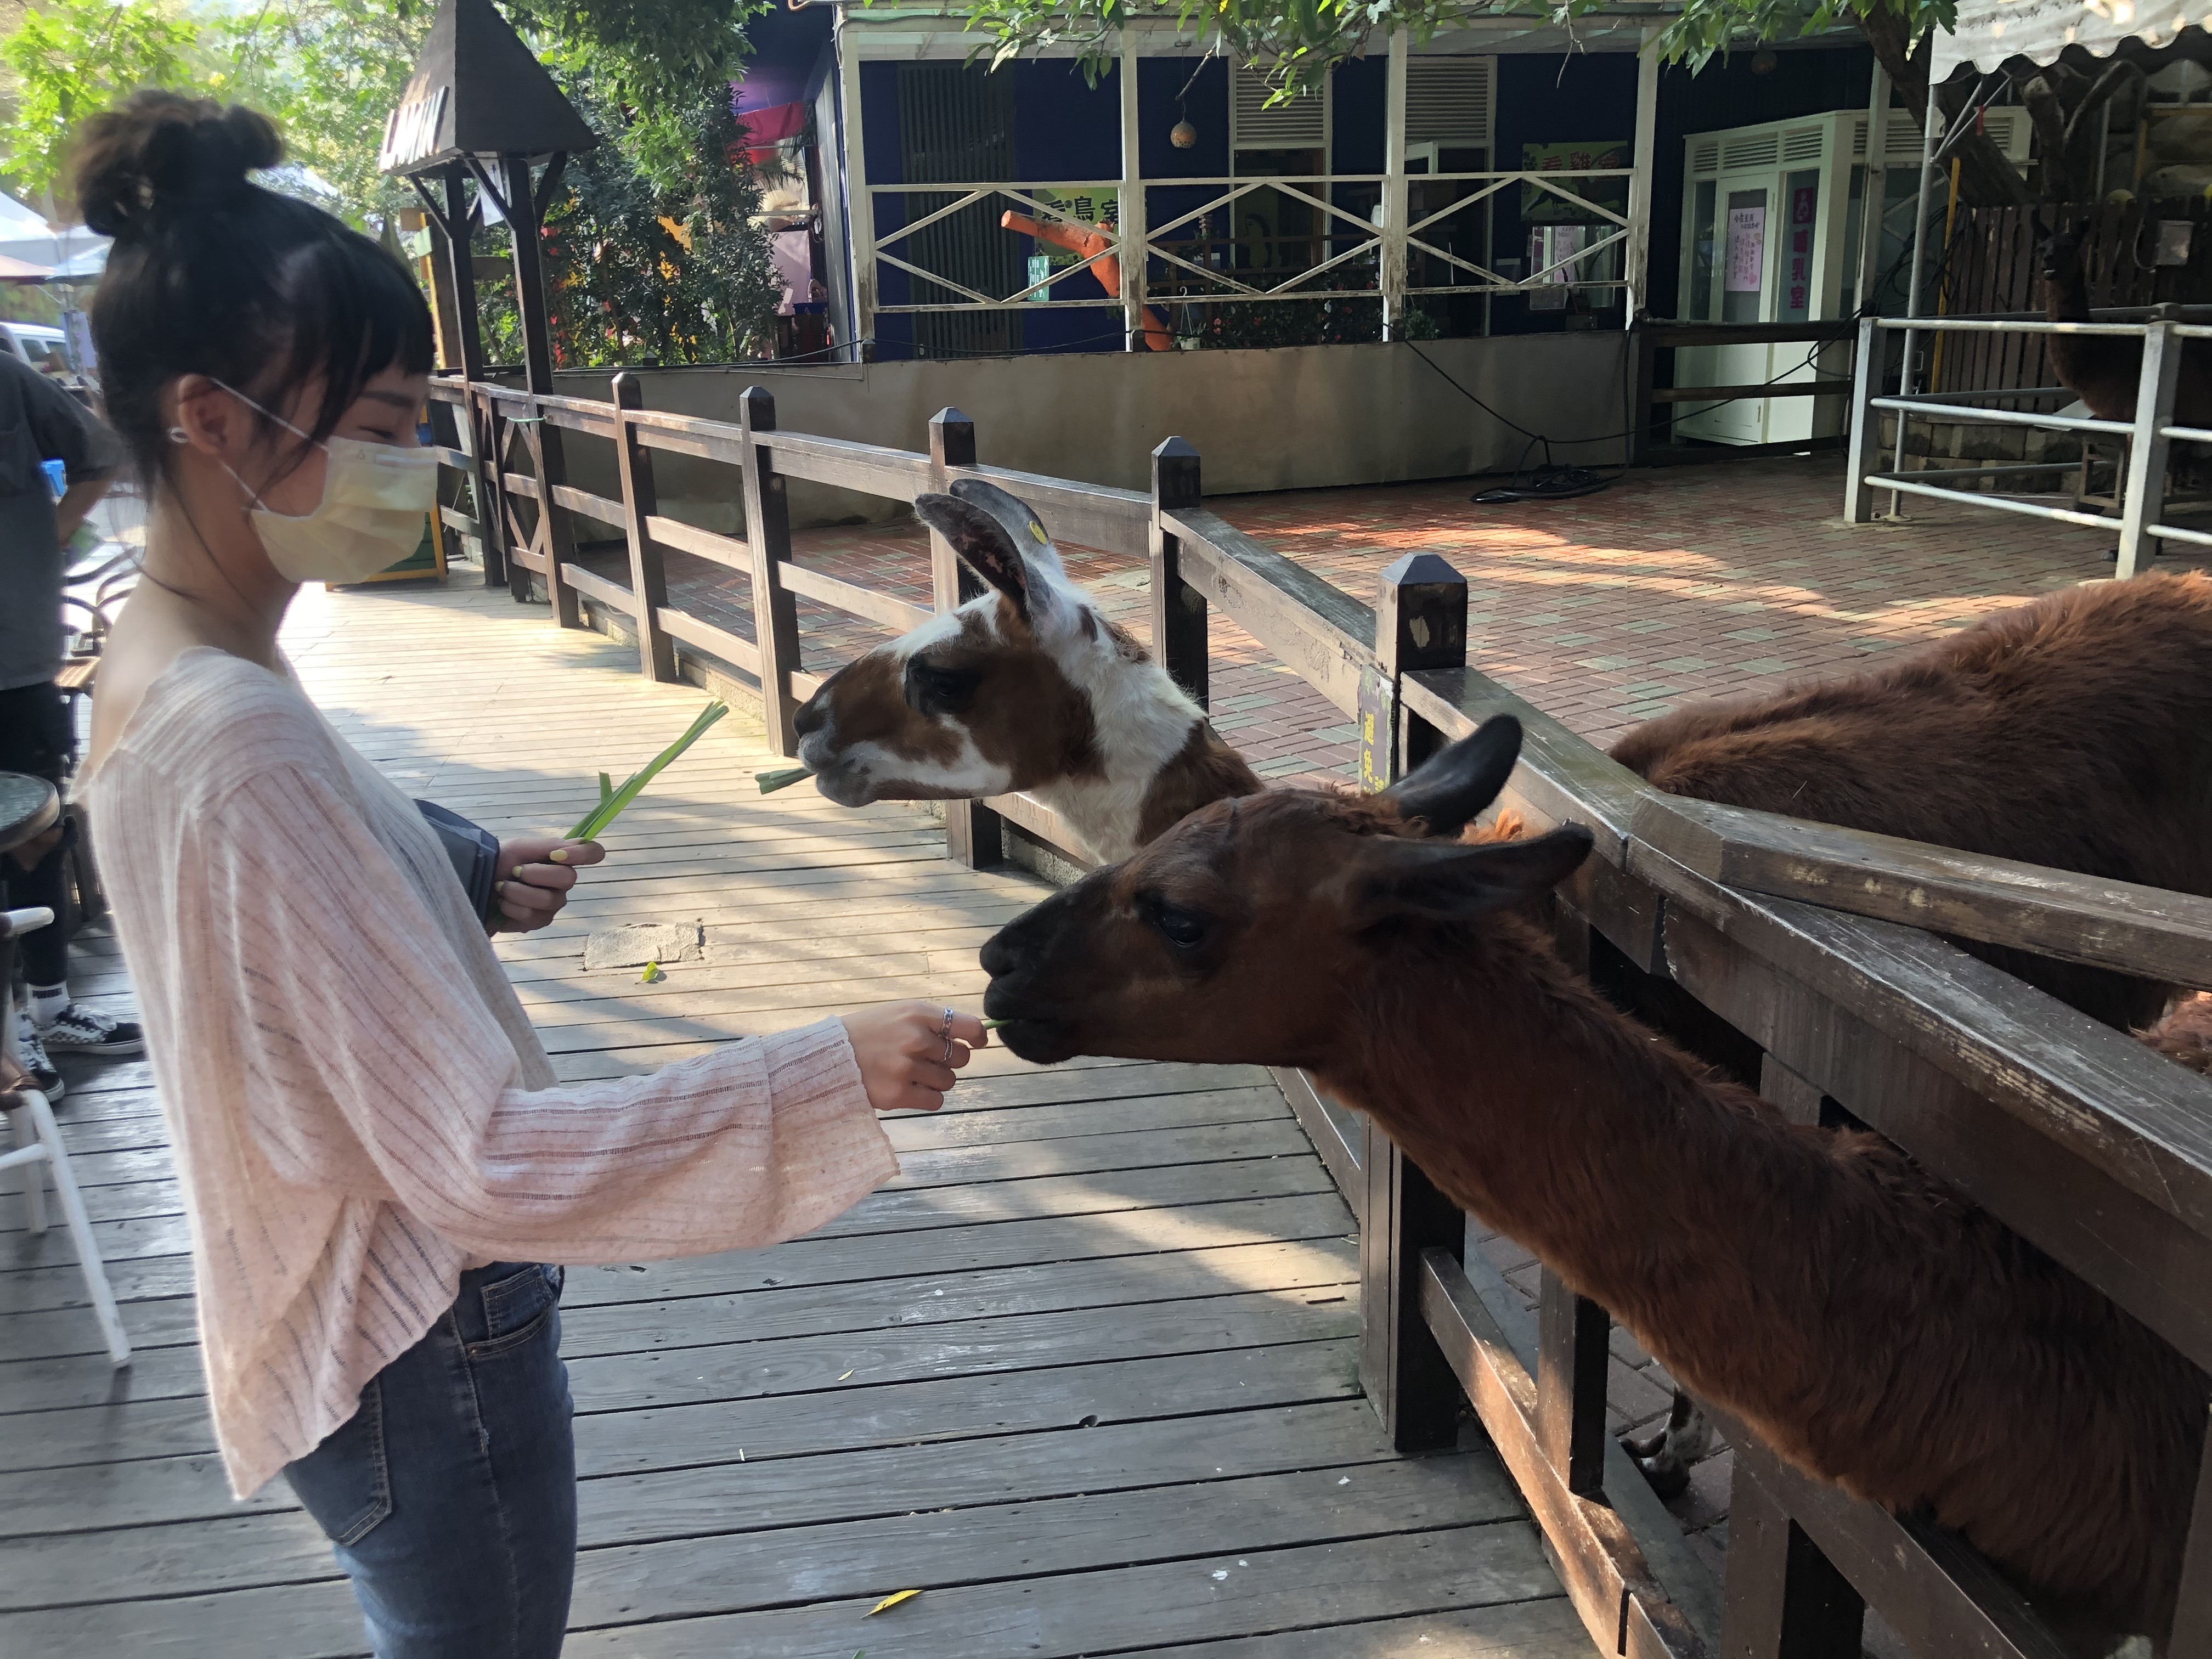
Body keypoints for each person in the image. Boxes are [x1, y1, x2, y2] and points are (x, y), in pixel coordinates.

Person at [74, 92, 986, 1659]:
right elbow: (479, 1161)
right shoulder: (241, 736)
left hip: (323, 1308)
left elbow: (278, 916)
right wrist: (822, 1070)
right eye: (374, 427)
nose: (413, 464)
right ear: (208, 417)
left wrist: (464, 871)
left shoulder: (158, 663)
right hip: (419, 1338)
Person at [0, 342, 142, 1097]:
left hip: (18, 659)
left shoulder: (8, 381)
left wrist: (45, 541)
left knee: (41, 835)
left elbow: (100, 453)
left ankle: (51, 1007)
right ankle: (10, 1022)